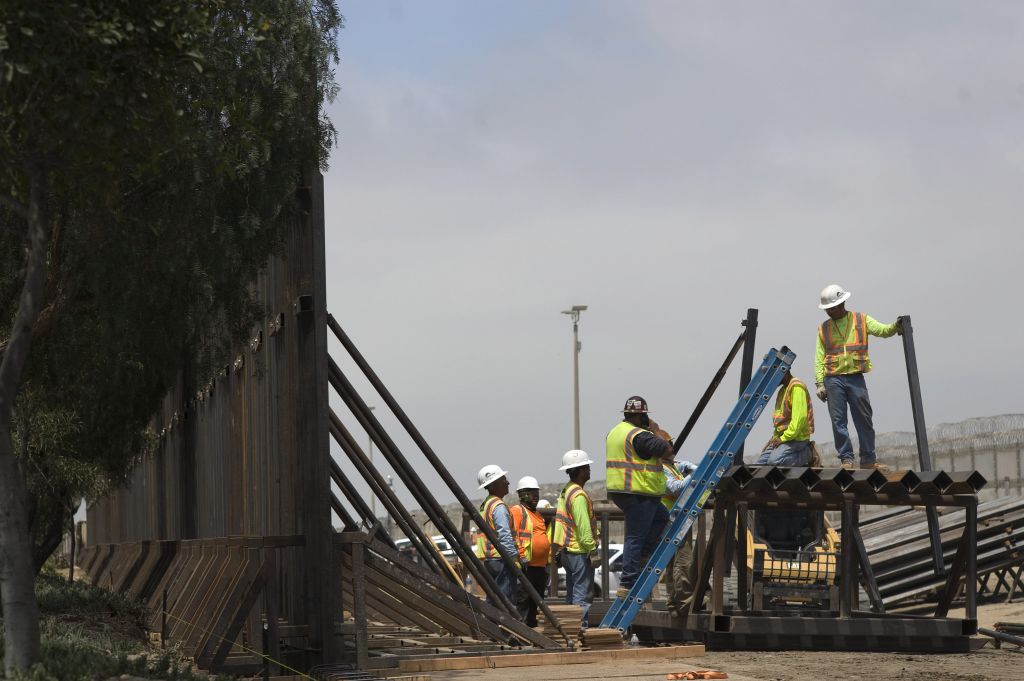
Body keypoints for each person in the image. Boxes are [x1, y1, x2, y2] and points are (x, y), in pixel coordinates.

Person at [814, 284, 902, 470]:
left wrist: (896, 327)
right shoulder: (824, 329)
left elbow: (882, 330)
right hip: (833, 379)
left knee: (864, 418)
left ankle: (869, 460)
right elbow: (819, 357)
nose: (829, 312)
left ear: (842, 303)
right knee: (839, 421)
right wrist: (819, 382)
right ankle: (846, 460)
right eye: (827, 309)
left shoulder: (861, 320)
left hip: (855, 377)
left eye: (831, 308)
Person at [606, 395, 671, 599]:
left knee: (661, 517)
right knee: (635, 536)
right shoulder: (640, 435)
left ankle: (643, 555)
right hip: (639, 492)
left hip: (622, 490)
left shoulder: (615, 432)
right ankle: (628, 582)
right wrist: (655, 428)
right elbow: (668, 451)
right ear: (641, 416)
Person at [551, 449, 597, 630]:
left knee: (572, 596)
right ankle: (579, 631)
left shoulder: (566, 491)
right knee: (582, 597)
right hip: (579, 551)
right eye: (586, 467)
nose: (589, 471)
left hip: (567, 550)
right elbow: (583, 525)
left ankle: (570, 631)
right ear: (579, 470)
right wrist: (591, 548)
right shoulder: (578, 495)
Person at [473, 464, 523, 605]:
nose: (507, 482)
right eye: (503, 479)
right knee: (505, 600)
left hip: (491, 559)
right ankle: (503, 625)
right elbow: (505, 535)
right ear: (494, 485)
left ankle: (490, 624)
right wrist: (513, 559)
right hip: (501, 559)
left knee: (495, 598)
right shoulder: (498, 507)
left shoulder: (487, 504)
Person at [509, 475, 551, 627]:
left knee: (536, 603)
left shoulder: (537, 514)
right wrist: (521, 555)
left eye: (537, 492)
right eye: (531, 492)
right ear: (522, 494)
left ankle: (532, 630)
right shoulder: (517, 511)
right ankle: (522, 632)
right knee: (524, 602)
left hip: (539, 567)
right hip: (527, 566)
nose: (536, 496)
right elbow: (513, 535)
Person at [661, 456, 698, 617]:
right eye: (669, 444)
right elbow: (675, 488)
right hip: (672, 520)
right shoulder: (661, 468)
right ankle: (684, 603)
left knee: (673, 563)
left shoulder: (672, 466)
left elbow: (688, 466)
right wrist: (694, 475)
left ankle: (673, 602)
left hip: (678, 518)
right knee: (683, 561)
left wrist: (691, 468)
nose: (673, 448)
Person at [756, 368, 815, 466]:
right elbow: (780, 421)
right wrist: (774, 438)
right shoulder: (782, 391)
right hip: (783, 437)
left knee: (774, 461)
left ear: (785, 371)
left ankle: (809, 453)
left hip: (797, 438)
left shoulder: (796, 387)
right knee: (759, 465)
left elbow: (799, 419)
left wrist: (782, 439)